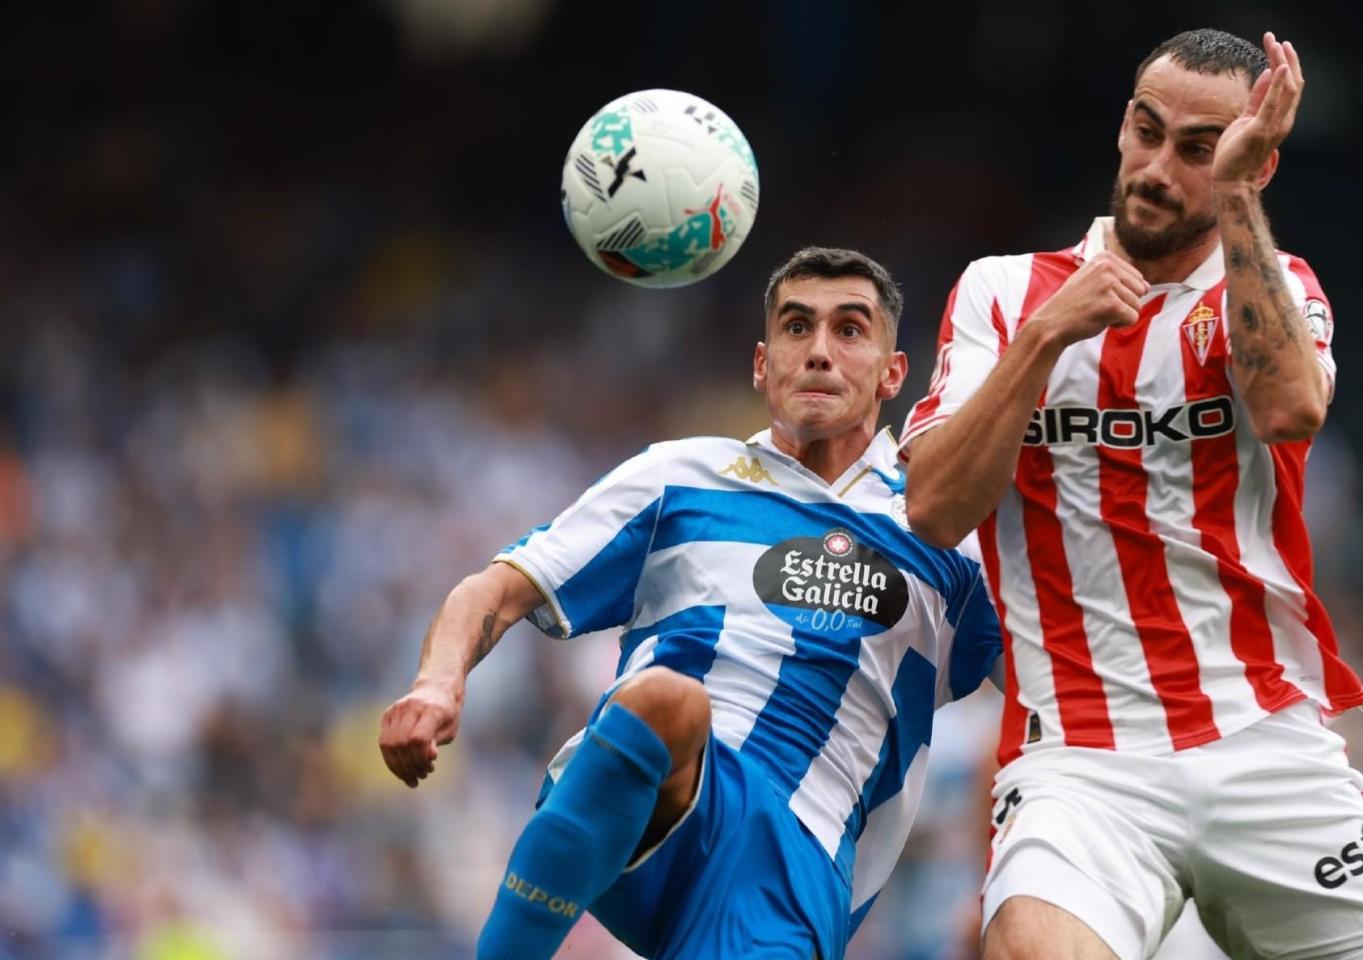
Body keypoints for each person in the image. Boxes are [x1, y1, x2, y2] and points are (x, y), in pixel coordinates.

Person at [900, 28, 1363, 960]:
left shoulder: (1272, 288)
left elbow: (1288, 409)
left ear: (1254, 164)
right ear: (1122, 126)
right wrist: (1043, 340)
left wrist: (1232, 198)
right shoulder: (1003, 292)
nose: (1157, 168)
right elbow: (935, 510)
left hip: (1265, 743)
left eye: (1199, 151)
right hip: (1080, 758)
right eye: (1146, 133)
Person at [377, 246, 1004, 960]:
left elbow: (1046, 705)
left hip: (791, 864)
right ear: (762, 365)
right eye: (798, 328)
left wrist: (997, 880)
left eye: (850, 330)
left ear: (893, 373)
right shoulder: (679, 476)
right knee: (667, 700)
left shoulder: (944, 534)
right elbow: (498, 586)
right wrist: (436, 683)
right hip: (648, 792)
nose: (820, 352)